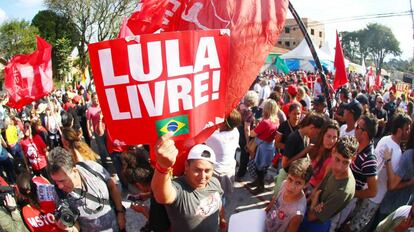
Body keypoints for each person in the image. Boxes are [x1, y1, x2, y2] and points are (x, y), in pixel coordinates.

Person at [151, 135, 226, 232]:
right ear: (187, 166)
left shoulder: (214, 182)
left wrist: (222, 220)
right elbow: (161, 196)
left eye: (207, 171)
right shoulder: (179, 188)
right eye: (197, 170)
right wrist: (162, 167)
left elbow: (219, 204)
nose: (203, 176)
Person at [48, 147, 126, 232]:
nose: (60, 186)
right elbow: (75, 225)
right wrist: (70, 229)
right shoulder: (59, 194)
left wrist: (120, 212)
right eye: (55, 181)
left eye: (62, 181)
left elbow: (112, 187)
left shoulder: (92, 168)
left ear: (74, 171)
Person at [299, 136, 357, 232]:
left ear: (353, 159)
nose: (339, 167)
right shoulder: (332, 167)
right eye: (337, 159)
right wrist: (312, 199)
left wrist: (314, 203)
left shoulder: (343, 191)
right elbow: (319, 189)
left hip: (320, 225)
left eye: (345, 162)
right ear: (333, 151)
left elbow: (311, 217)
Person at [367, 113, 412, 229]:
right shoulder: (397, 153)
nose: (409, 131)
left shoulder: (385, 139)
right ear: (399, 130)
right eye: (407, 129)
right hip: (377, 199)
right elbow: (391, 184)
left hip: (370, 191)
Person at [336, 114, 379, 231]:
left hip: (345, 203)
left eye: (357, 127)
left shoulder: (369, 159)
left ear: (364, 133)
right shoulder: (356, 146)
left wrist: (352, 193)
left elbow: (373, 191)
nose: (354, 128)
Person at [120, 147, 171, 232]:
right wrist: (147, 195)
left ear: (138, 185)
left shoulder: (157, 200)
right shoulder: (163, 177)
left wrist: (143, 210)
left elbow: (158, 227)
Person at [274, 113, 324, 195]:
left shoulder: (305, 136)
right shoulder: (293, 138)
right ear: (312, 127)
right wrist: (304, 151)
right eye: (317, 133)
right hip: (287, 178)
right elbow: (284, 164)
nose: (316, 135)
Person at [264, 158, 312, 232]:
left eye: (298, 183)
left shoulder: (297, 212)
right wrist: (264, 212)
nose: (291, 186)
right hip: (267, 223)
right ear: (287, 176)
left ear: (305, 185)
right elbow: (274, 199)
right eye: (290, 179)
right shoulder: (284, 184)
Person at [205, 109, 241, 202]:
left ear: (224, 122)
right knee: (222, 196)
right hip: (229, 170)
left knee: (215, 199)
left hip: (217, 173)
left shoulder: (215, 137)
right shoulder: (235, 131)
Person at [247, 99, 279, 194]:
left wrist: (249, 129)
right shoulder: (276, 120)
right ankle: (258, 183)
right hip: (270, 146)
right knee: (263, 167)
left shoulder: (265, 122)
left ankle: (260, 186)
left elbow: (252, 134)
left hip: (262, 147)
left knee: (258, 167)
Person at [307, 120, 339, 193]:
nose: (331, 141)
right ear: (322, 134)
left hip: (312, 190)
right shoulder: (315, 147)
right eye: (328, 136)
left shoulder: (332, 158)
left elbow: (322, 184)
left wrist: (309, 198)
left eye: (334, 137)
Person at [236, 91, 259, 180]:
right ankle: (240, 174)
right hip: (243, 134)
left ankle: (238, 168)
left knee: (239, 152)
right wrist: (248, 141)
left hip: (237, 130)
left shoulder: (239, 106)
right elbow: (247, 129)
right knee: (245, 155)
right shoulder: (248, 112)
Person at [86, 93, 111, 170]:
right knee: (102, 148)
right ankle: (105, 166)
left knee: (109, 147)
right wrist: (89, 131)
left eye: (97, 98)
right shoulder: (90, 110)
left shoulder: (103, 107)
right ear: (92, 99)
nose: (96, 100)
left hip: (107, 130)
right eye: (95, 99)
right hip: (98, 132)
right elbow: (88, 121)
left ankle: (112, 162)